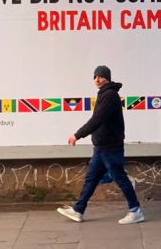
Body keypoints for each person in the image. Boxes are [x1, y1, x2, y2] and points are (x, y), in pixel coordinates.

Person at [57, 65, 144, 224]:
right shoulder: (104, 94)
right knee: (91, 179)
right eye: (95, 76)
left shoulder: (110, 95)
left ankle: (135, 211)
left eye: (101, 76)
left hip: (110, 147)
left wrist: (77, 134)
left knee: (119, 178)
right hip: (101, 147)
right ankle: (78, 210)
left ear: (107, 78)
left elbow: (97, 120)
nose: (97, 79)